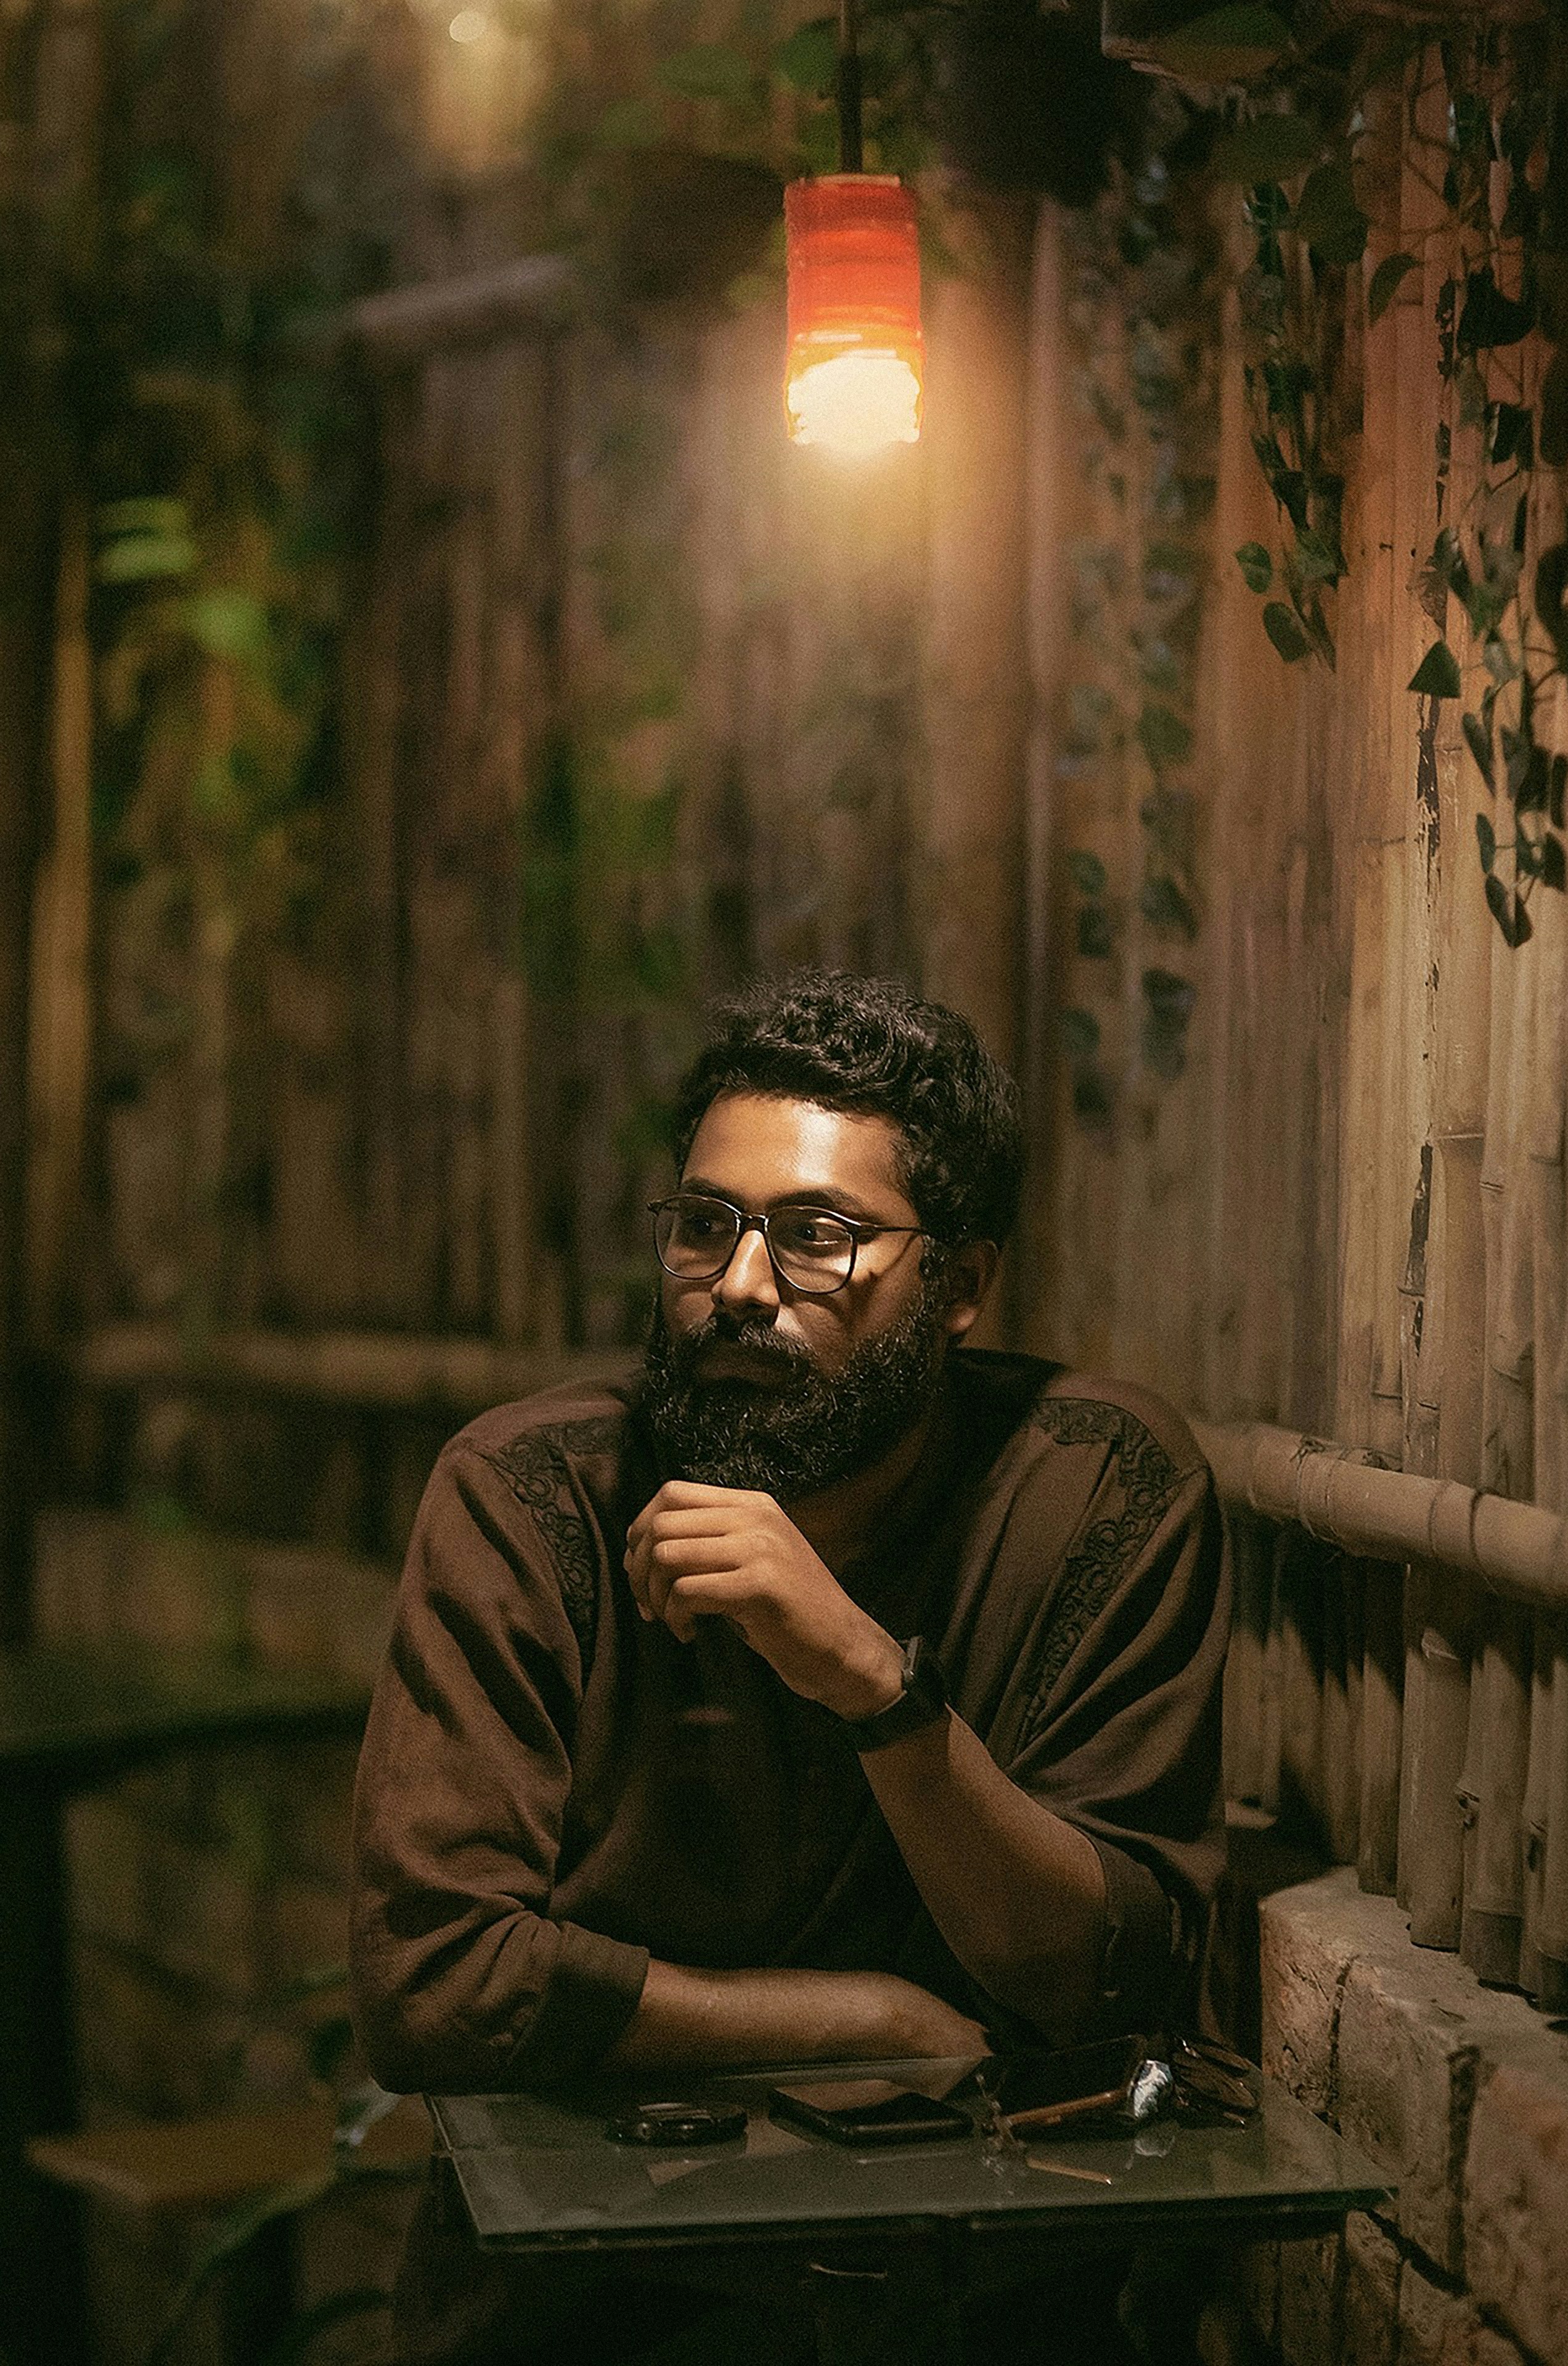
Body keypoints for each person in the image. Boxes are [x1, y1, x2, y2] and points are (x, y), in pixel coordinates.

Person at [349, 970, 1230, 2365]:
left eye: (819, 1237)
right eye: (706, 1226)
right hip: (593, 2309)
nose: (741, 1287)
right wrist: (856, 2019)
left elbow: (1111, 1980)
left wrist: (874, 1684)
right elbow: (435, 1983)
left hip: (979, 2307)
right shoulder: (529, 1497)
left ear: (960, 1285)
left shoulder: (1096, 1488)